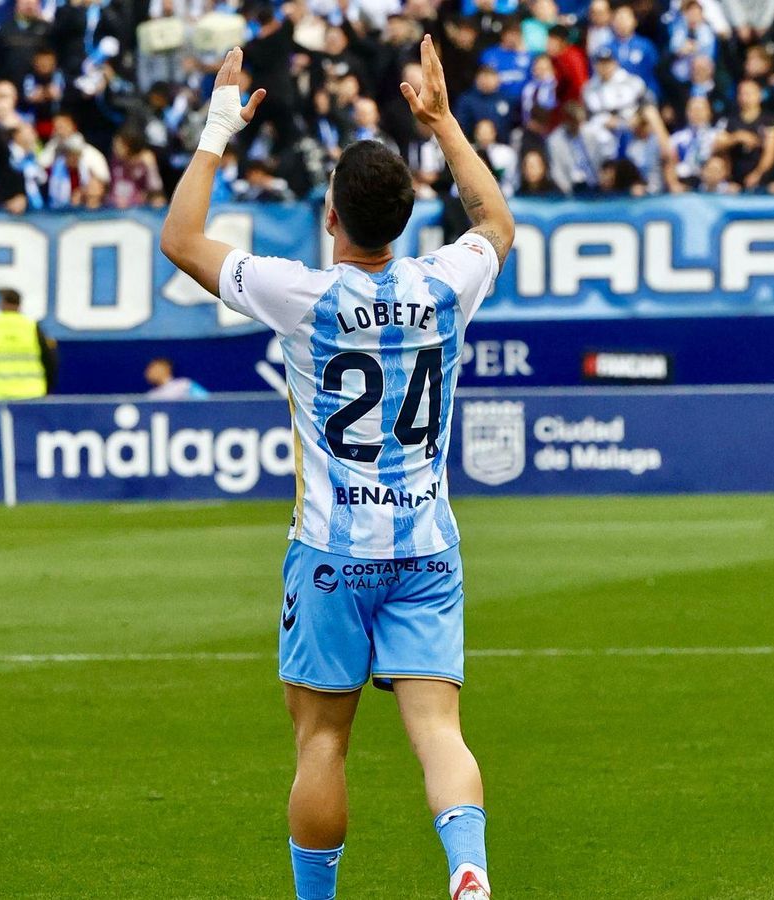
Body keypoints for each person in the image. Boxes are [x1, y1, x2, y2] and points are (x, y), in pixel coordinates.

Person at [159, 39, 513, 900]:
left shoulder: (299, 294)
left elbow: (180, 238)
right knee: (439, 731)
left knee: (322, 741)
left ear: (331, 217)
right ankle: (468, 868)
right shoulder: (444, 284)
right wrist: (442, 122)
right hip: (427, 547)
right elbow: (495, 223)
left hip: (331, 551)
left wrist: (216, 127)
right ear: (400, 218)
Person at [0, 289, 58, 400]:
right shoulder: (32, 326)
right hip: (31, 393)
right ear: (19, 304)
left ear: (2, 303)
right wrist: (47, 388)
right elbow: (49, 360)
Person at [143, 358, 208, 399]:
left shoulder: (184, 384)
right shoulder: (152, 395)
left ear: (166, 368)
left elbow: (206, 399)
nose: (149, 372)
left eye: (154, 368)